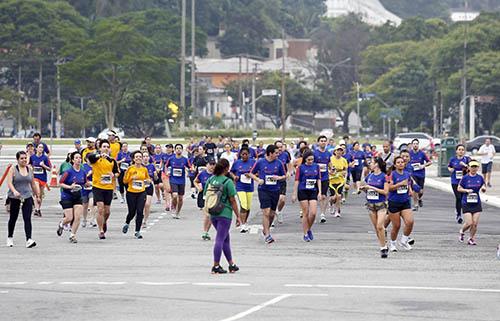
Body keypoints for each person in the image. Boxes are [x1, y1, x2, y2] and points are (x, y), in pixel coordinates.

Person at [204, 158, 241, 274]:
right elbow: (233, 200)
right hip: (225, 213)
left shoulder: (210, 179)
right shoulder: (227, 182)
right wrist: (238, 216)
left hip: (213, 213)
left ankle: (231, 264)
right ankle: (216, 265)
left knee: (225, 238)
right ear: (226, 168)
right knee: (220, 239)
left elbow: (206, 195)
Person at [250, 144, 287, 244]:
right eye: (276, 153)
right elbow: (251, 173)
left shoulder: (279, 163)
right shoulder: (260, 162)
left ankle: (266, 229)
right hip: (263, 190)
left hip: (275, 190)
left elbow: (284, 175)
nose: (278, 154)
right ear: (270, 153)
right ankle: (267, 235)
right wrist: (258, 179)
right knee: (266, 212)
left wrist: (278, 178)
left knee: (271, 214)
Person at [6, 151, 40, 248]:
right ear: (17, 159)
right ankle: (10, 237)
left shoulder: (29, 169)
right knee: (13, 218)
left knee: (27, 218)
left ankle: (29, 239)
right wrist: (14, 191)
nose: (24, 160)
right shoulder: (13, 169)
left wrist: (37, 195)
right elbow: (9, 183)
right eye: (22, 158)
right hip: (15, 197)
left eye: (25, 158)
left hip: (27, 196)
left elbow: (33, 183)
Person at [87, 139, 120, 239]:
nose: (105, 148)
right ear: (100, 148)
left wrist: (113, 175)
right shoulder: (95, 158)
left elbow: (117, 173)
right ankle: (101, 230)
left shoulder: (112, 160)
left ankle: (104, 222)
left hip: (108, 187)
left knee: (107, 211)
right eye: (104, 147)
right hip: (98, 187)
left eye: (107, 147)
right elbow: (89, 158)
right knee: (100, 209)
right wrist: (99, 155)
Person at [361, 157, 389, 258]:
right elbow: (368, 190)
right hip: (370, 205)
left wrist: (372, 187)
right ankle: (384, 245)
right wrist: (364, 189)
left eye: (372, 163)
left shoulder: (384, 176)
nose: (370, 164)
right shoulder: (369, 176)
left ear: (377, 164)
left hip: (380, 204)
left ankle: (383, 249)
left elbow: (385, 192)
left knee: (379, 226)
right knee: (377, 228)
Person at [292, 150, 322, 242]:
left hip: (313, 191)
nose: (310, 161)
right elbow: (297, 180)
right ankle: (305, 233)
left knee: (313, 213)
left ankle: (308, 229)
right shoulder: (300, 168)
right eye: (309, 160)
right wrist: (294, 193)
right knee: (305, 213)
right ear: (305, 159)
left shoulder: (316, 167)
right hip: (302, 191)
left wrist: (320, 192)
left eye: (312, 159)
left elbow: (318, 179)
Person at [57, 151, 86, 243]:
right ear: (73, 160)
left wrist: (94, 184)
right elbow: (60, 183)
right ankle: (61, 224)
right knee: (69, 218)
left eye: (80, 158)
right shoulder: (68, 172)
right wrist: (70, 187)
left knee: (77, 217)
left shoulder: (82, 172)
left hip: (78, 197)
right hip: (67, 196)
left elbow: (85, 183)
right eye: (76, 158)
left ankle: (72, 235)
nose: (78, 159)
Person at [387, 156, 414, 252]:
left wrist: (410, 190)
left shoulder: (407, 174)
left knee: (410, 222)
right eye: (398, 162)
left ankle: (404, 240)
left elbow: (408, 184)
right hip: (394, 202)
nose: (400, 164)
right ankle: (392, 244)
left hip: (405, 201)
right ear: (395, 165)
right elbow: (389, 188)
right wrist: (400, 184)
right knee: (396, 226)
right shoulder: (392, 174)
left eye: (402, 162)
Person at [122, 151, 150, 239]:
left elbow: (147, 178)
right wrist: (131, 178)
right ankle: (127, 223)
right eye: (136, 157)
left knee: (140, 211)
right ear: (134, 159)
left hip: (141, 192)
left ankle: (137, 231)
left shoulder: (144, 169)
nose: (138, 158)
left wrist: (148, 181)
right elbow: (124, 181)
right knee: (132, 212)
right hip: (131, 193)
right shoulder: (130, 169)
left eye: (140, 157)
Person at [457, 160, 486, 245]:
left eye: (475, 167)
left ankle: (471, 238)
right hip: (466, 202)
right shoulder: (465, 178)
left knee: (475, 223)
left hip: (476, 202)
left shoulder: (480, 177)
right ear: (468, 168)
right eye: (472, 167)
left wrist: (483, 189)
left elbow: (483, 186)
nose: (474, 168)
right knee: (469, 223)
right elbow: (459, 188)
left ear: (477, 168)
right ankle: (462, 231)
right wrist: (466, 190)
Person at [230, 146, 256, 233]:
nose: (244, 156)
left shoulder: (253, 162)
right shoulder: (237, 163)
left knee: (248, 207)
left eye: (246, 154)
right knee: (243, 205)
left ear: (249, 154)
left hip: (249, 187)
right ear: (240, 154)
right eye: (243, 154)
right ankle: (243, 224)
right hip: (240, 187)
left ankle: (244, 221)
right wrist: (234, 177)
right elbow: (231, 172)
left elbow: (258, 172)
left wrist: (252, 175)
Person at [163, 144, 192, 219]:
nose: (178, 150)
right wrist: (167, 172)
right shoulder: (171, 159)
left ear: (182, 150)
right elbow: (166, 166)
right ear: (175, 150)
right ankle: (173, 207)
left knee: (181, 198)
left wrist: (190, 170)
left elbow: (190, 167)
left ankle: (178, 212)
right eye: (177, 148)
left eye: (180, 148)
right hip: (173, 180)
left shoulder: (185, 159)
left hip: (181, 181)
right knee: (175, 195)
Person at [448, 144, 471, 224]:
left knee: (462, 199)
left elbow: (471, 168)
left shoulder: (467, 159)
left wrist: (464, 165)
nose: (461, 151)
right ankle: (458, 215)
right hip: (455, 181)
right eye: (459, 149)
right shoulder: (452, 159)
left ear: (464, 151)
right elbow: (449, 166)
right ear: (456, 151)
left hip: (464, 182)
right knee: (458, 198)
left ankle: (459, 210)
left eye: (462, 150)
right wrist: (450, 169)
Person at [408, 139, 432, 211]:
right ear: (412, 145)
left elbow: (429, 162)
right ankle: (415, 205)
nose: (415, 145)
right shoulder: (409, 153)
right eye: (414, 144)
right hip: (413, 174)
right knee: (415, 189)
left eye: (416, 144)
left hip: (421, 174)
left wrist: (423, 165)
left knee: (421, 191)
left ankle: (419, 198)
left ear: (418, 145)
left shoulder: (422, 154)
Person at [195, 159, 215, 240]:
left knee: (210, 215)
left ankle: (206, 232)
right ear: (207, 165)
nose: (212, 166)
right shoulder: (202, 174)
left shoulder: (216, 175)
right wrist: (198, 187)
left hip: (213, 197)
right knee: (207, 215)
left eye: (214, 165)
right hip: (204, 196)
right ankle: (205, 232)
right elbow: (195, 181)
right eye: (210, 164)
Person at [30, 143, 52, 217]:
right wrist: (30, 167)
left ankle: (38, 209)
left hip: (43, 178)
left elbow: (49, 169)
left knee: (41, 195)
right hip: (35, 178)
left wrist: (43, 165)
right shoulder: (32, 157)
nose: (41, 149)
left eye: (42, 148)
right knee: (37, 193)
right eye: (39, 147)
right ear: (36, 148)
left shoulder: (45, 158)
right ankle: (36, 209)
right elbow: (29, 165)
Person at [313, 135, 332, 223]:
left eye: (325, 141)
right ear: (318, 142)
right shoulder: (314, 153)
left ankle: (322, 214)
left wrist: (332, 169)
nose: (323, 142)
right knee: (314, 196)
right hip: (314, 177)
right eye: (321, 141)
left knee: (323, 196)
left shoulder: (328, 153)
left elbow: (329, 164)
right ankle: (311, 212)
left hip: (325, 177)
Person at [328, 145, 348, 217]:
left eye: (340, 151)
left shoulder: (344, 160)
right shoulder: (330, 159)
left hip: (340, 180)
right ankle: (330, 204)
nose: (339, 152)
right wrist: (330, 172)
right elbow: (327, 169)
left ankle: (337, 211)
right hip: (331, 180)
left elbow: (345, 170)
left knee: (339, 196)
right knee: (333, 197)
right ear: (334, 151)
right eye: (337, 150)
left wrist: (344, 175)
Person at [275, 141, 291, 224]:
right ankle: (272, 216)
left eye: (281, 147)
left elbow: (289, 163)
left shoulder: (285, 154)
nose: (280, 149)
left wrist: (288, 171)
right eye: (278, 147)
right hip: (273, 180)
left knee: (282, 199)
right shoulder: (272, 155)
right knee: (273, 199)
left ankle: (278, 211)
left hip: (282, 179)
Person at [142, 152, 156, 228]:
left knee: (147, 204)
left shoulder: (152, 166)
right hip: (139, 188)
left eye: (147, 156)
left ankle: (144, 221)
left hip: (149, 187)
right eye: (144, 156)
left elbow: (156, 179)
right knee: (140, 205)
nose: (145, 158)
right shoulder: (139, 166)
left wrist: (155, 175)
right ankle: (139, 217)